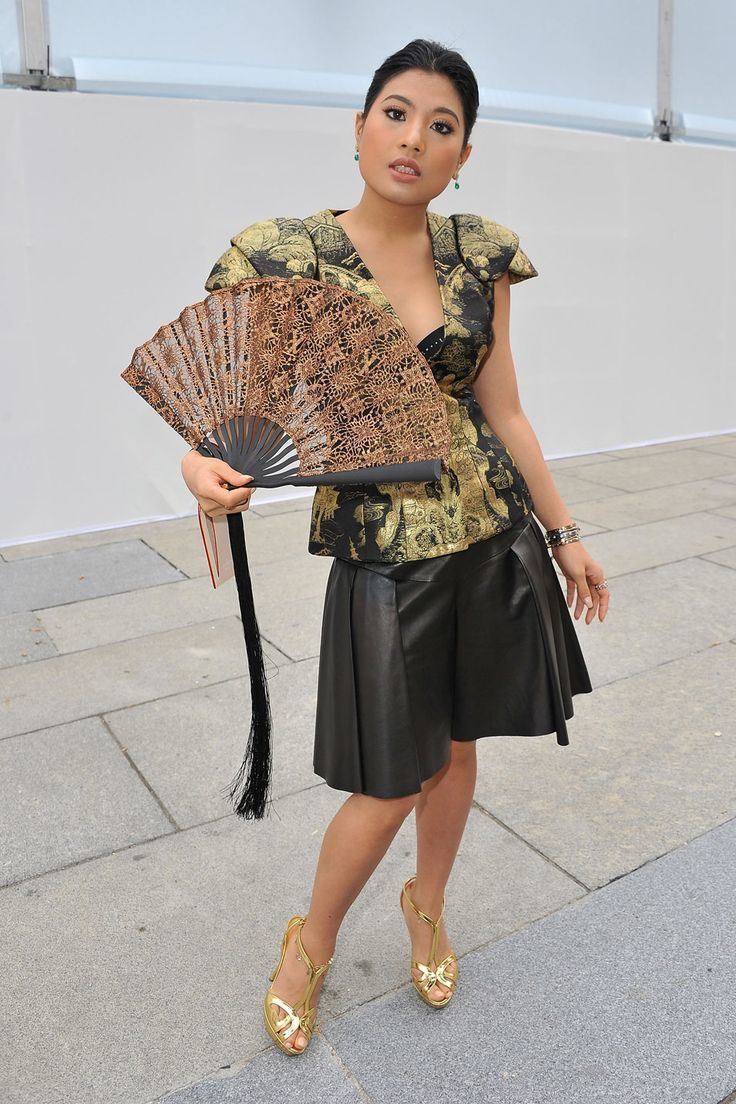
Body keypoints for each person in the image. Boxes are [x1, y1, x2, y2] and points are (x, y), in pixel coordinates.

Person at [181, 38, 609, 1055]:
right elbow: (226, 407)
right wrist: (203, 468)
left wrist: (564, 533)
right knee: (388, 782)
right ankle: (310, 943)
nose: (415, 136)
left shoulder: (479, 252)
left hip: (491, 538)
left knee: (456, 750)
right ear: (360, 125)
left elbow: (502, 409)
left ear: (464, 152)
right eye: (396, 111)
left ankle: (429, 904)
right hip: (382, 551)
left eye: (442, 123)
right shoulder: (283, 254)